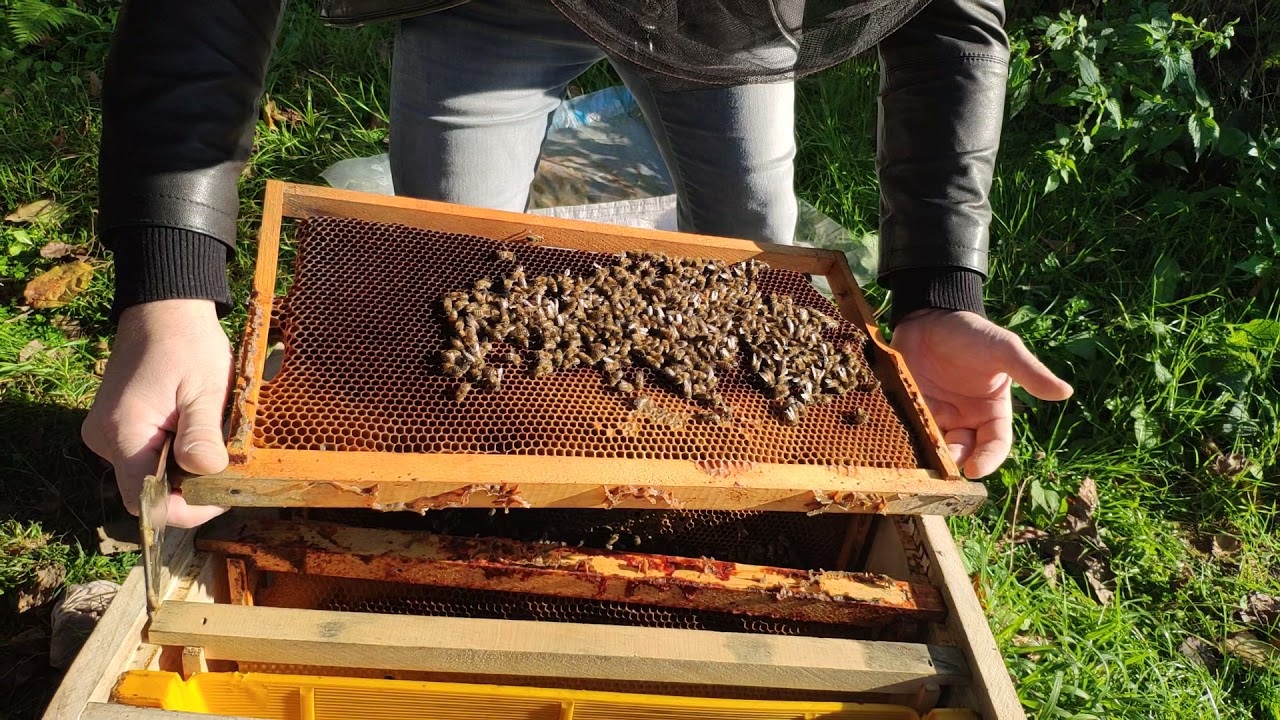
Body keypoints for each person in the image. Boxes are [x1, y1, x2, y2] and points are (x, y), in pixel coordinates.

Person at [81, 0, 1074, 528]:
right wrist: (169, 286)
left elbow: (951, 13)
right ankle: (449, 503)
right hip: (486, 6)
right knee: (442, 279)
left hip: (728, 17)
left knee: (759, 252)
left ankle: (723, 497)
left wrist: (940, 282)